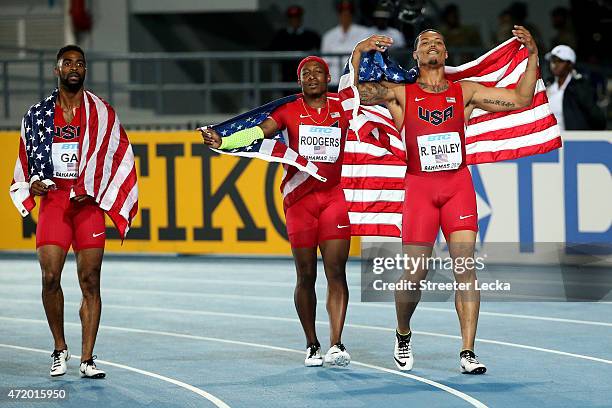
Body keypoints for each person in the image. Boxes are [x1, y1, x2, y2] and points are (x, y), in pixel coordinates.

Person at [350, 26, 541, 374]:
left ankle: (468, 351)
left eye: (439, 42)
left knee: (465, 269)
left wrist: (532, 55)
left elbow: (520, 99)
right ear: (417, 56)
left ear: (447, 54)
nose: (433, 45)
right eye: (425, 43)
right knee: (414, 274)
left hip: (457, 187)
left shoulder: (464, 92)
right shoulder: (401, 94)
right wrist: (359, 52)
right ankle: (403, 333)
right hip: (421, 189)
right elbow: (357, 94)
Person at [202, 56, 352, 367]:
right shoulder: (288, 111)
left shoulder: (342, 108)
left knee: (336, 273)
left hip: (333, 198)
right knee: (306, 275)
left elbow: (368, 95)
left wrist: (362, 51)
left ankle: (337, 343)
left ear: (328, 78)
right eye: (305, 74)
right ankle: (312, 344)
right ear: (299, 82)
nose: (311, 77)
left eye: (318, 73)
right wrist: (226, 140)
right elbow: (259, 132)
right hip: (300, 202)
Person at [9, 45, 138, 378]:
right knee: (50, 277)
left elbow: (118, 156)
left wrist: (95, 189)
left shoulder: (102, 113)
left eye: (79, 63)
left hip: (88, 205)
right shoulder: (37, 115)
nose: (74, 67)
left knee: (90, 281)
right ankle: (59, 348)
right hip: (55, 202)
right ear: (57, 70)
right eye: (67, 63)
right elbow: (26, 160)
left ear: (84, 70)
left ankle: (87, 358)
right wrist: (33, 184)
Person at [545, 45, 606, 131]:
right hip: (550, 139)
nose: (555, 64)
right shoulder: (548, 85)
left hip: (573, 139)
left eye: (560, 61)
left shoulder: (579, 86)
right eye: (553, 60)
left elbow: (595, 115)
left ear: (570, 64)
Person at [269, 5, 321, 88]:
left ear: (301, 19)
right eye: (292, 18)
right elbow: (272, 52)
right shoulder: (281, 35)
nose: (294, 21)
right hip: (286, 76)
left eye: (297, 18)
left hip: (306, 76)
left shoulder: (311, 36)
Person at [321, 1, 370, 83]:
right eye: (342, 13)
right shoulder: (329, 36)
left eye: (348, 14)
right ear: (339, 15)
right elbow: (325, 62)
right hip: (335, 79)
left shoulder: (364, 32)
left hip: (356, 77)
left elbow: (367, 57)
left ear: (352, 15)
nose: (345, 16)